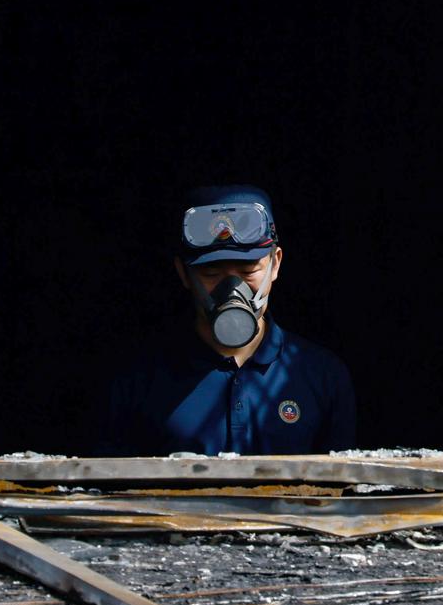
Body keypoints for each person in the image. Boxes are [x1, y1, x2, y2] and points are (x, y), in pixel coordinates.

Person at [104, 185, 356, 455]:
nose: (233, 288)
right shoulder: (138, 380)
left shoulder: (322, 375)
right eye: (212, 272)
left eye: (249, 270)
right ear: (183, 274)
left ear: (276, 264)